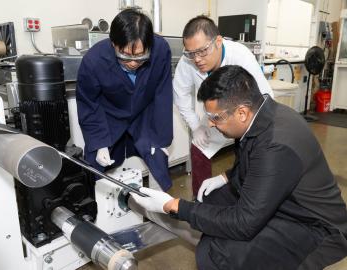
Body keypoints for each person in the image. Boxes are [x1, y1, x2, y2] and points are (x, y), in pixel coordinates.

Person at [131, 65, 347, 270]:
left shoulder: (276, 145)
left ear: (242, 113)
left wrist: (174, 206)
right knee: (208, 201)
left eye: (216, 118)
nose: (212, 124)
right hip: (284, 201)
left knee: (217, 253)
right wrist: (226, 176)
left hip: (314, 226)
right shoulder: (261, 114)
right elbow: (255, 163)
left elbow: (244, 223)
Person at [173, 15, 274, 197]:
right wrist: (196, 127)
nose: (197, 59)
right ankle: (202, 200)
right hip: (215, 117)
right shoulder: (187, 62)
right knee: (198, 150)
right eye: (191, 53)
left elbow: (265, 96)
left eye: (202, 51)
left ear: (218, 41)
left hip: (245, 116)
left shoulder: (240, 55)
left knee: (249, 154)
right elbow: (180, 96)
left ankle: (246, 197)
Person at [76, 9, 173, 190]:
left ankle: (160, 210)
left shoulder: (161, 50)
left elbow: (163, 93)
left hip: (145, 113)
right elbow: (88, 104)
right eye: (125, 56)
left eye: (141, 56)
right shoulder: (94, 60)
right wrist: (99, 142)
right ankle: (97, 215)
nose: (133, 62)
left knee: (158, 161)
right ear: (113, 44)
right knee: (94, 167)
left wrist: (161, 139)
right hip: (109, 116)